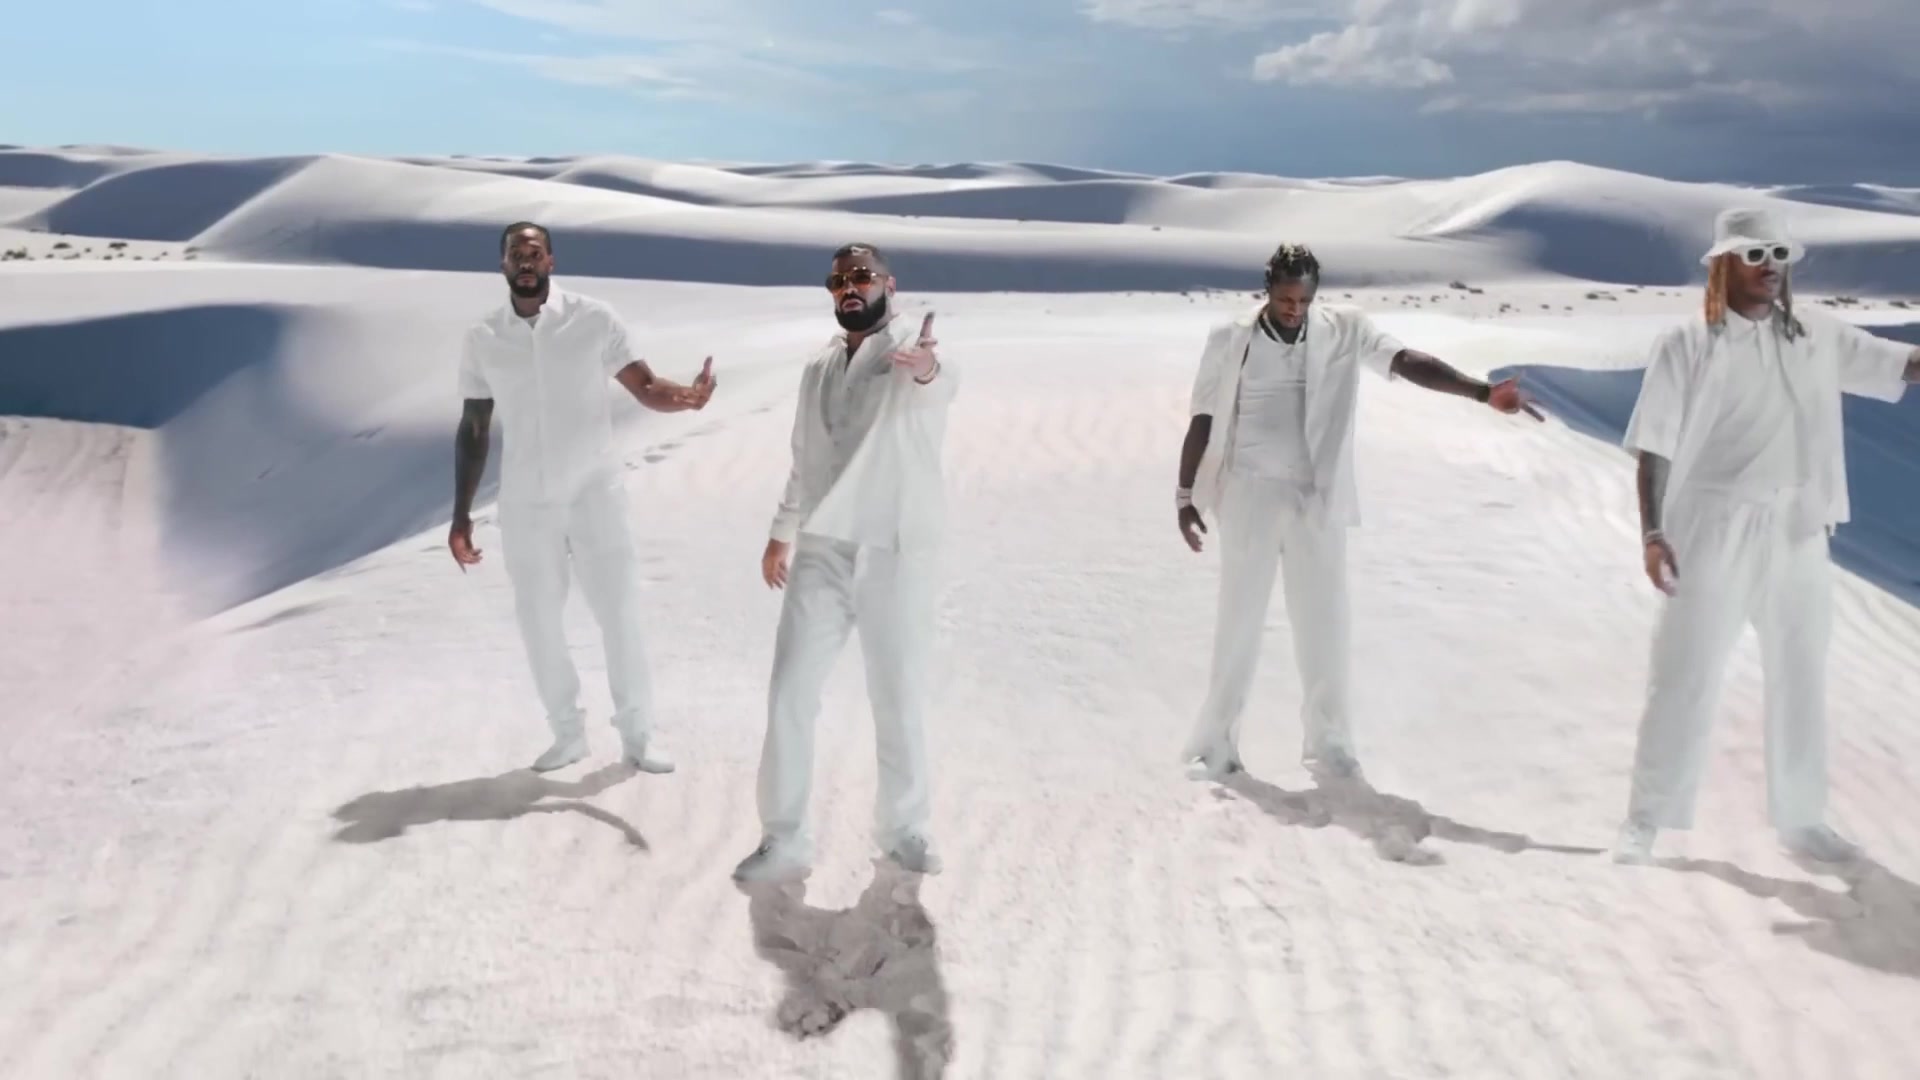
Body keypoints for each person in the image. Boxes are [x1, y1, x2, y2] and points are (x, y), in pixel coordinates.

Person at [1614, 207, 1920, 864]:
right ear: (1724, 264)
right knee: (1684, 672)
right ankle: (1647, 819)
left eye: (1778, 254)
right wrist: (1653, 532)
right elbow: (1654, 444)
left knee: (1800, 675)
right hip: (1710, 527)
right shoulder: (1686, 343)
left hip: (1799, 529)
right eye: (1755, 255)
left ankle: (1802, 819)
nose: (1770, 267)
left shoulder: (1819, 335)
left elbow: (1905, 366)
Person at [1176, 243, 1542, 783]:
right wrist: (1185, 495)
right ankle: (1217, 744)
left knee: (1325, 624)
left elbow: (1407, 362)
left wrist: (1482, 392)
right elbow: (1203, 417)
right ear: (1268, 289)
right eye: (1285, 298)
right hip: (1249, 494)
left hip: (1316, 498)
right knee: (1239, 623)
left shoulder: (1345, 329)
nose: (1294, 309)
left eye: (1304, 300)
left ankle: (1329, 745)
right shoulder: (1231, 338)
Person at [449, 221, 716, 773]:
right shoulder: (483, 337)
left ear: (551, 261)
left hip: (595, 492)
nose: (525, 261)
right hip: (526, 502)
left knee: (619, 614)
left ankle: (638, 736)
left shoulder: (593, 318)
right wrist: (460, 514)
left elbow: (645, 386)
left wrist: (687, 397)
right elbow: (474, 427)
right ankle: (567, 734)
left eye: (534, 252)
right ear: (502, 265)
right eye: (515, 253)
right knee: (538, 621)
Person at [732, 242, 957, 884]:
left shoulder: (913, 347)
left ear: (889, 283)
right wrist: (781, 532)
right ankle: (783, 838)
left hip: (893, 548)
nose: (849, 288)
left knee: (897, 694)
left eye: (861, 277)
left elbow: (940, 381)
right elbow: (805, 457)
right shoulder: (819, 367)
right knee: (789, 692)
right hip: (823, 546)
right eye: (838, 281)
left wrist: (927, 370)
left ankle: (905, 830)